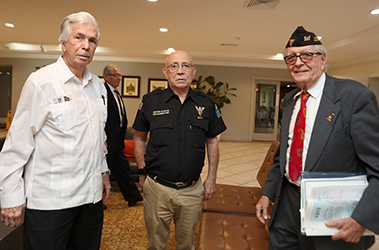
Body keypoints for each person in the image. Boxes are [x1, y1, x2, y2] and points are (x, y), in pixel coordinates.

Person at [256, 26, 379, 250]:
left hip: (332, 213)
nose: (298, 62)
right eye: (291, 57)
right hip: (287, 205)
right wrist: (267, 193)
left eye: (307, 55)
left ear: (322, 59)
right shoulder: (290, 100)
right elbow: (282, 156)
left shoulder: (355, 97)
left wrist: (362, 218)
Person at [0, 12, 111, 250]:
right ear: (62, 43)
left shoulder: (99, 87)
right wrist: (10, 197)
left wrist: (103, 172)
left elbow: (97, 137)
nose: (86, 45)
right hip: (50, 202)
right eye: (78, 37)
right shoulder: (41, 82)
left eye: (92, 41)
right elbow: (16, 145)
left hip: (90, 201)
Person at [133, 50, 226, 250]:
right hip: (158, 188)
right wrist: (142, 170)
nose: (180, 71)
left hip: (191, 191)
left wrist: (211, 178)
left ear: (193, 72)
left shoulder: (206, 103)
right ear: (166, 72)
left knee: (186, 244)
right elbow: (139, 138)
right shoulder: (150, 101)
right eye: (174, 66)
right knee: (156, 244)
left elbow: (212, 142)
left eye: (185, 66)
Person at [103, 65, 143, 207]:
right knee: (102, 172)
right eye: (115, 75)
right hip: (106, 141)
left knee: (123, 168)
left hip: (118, 139)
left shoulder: (116, 93)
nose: (119, 78)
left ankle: (133, 196)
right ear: (106, 77)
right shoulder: (102, 93)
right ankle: (98, 202)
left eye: (119, 75)